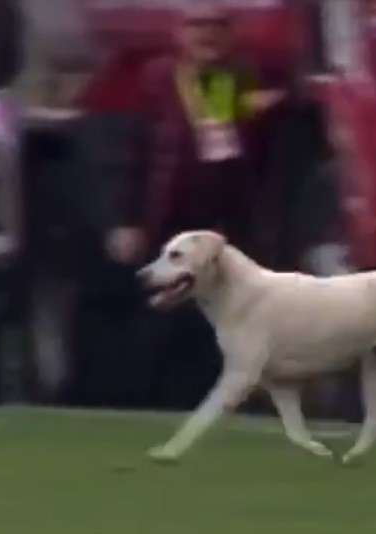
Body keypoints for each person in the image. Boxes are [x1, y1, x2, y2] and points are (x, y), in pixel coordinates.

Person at [91, 3, 288, 410]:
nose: (207, 35)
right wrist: (127, 220)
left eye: (217, 26)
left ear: (232, 33)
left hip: (228, 223)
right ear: (181, 33)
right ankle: (156, 405)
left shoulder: (246, 80)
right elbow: (137, 153)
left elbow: (265, 153)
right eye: (198, 26)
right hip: (169, 217)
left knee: (232, 318)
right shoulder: (161, 79)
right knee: (162, 317)